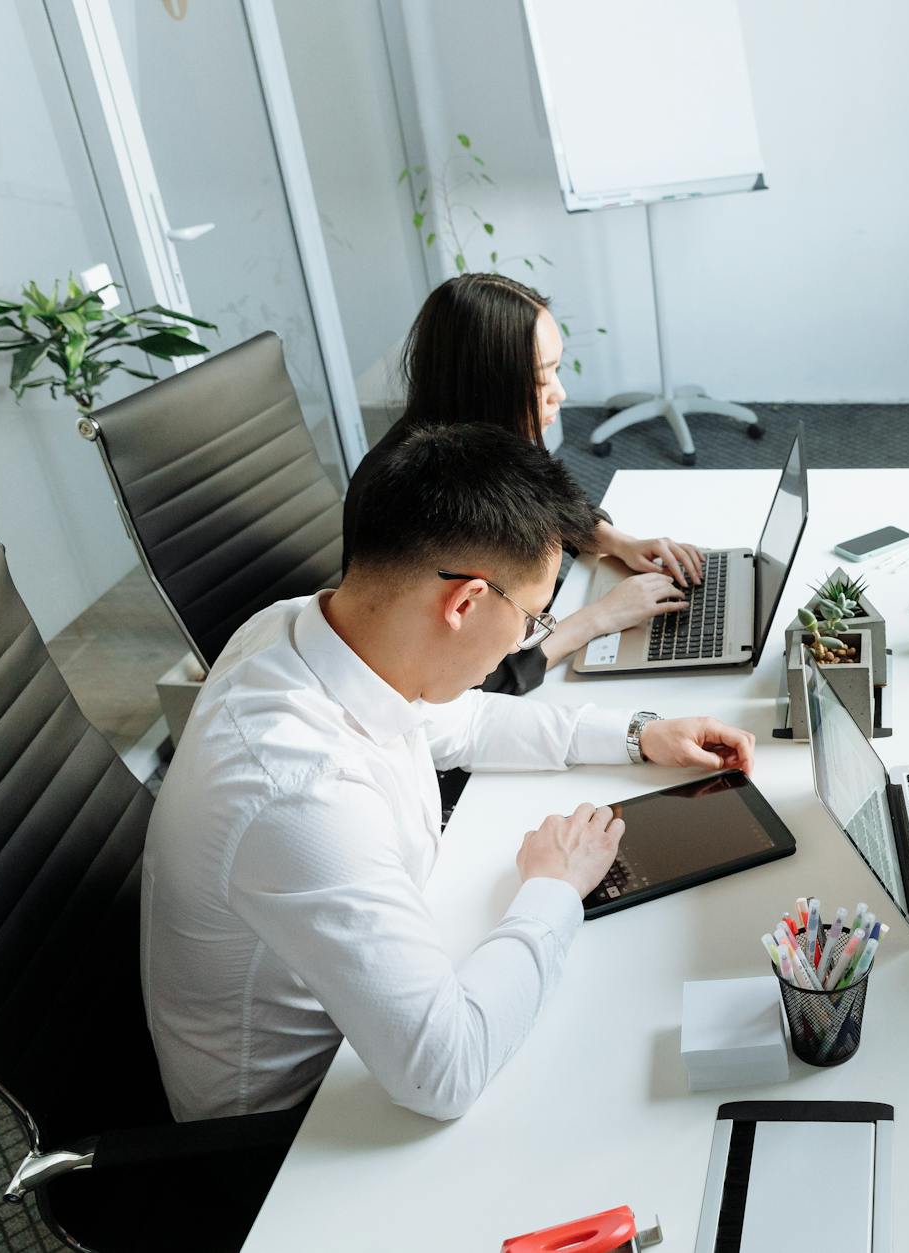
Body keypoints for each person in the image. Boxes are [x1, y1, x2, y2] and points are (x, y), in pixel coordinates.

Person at [142, 422, 756, 1123]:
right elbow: (445, 1071)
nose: (531, 637)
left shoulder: (299, 630)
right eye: (534, 617)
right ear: (464, 603)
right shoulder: (298, 794)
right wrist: (555, 889)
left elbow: (462, 721)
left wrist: (641, 733)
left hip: (368, 1014)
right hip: (302, 1129)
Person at [344, 273, 702, 694]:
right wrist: (598, 619)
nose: (560, 394)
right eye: (541, 377)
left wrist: (620, 542)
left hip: (528, 631)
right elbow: (477, 682)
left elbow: (545, 505)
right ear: (487, 382)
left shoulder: (479, 443)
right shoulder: (431, 497)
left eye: (557, 370)